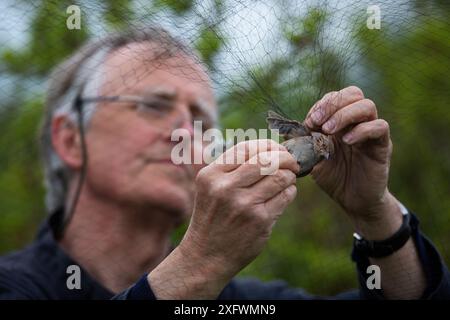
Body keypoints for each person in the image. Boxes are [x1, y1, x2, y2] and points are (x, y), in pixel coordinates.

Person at [0, 27, 448, 300]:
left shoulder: (242, 299)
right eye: (154, 105)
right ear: (70, 138)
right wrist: (199, 266)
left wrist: (375, 213)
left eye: (201, 119)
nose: (185, 131)